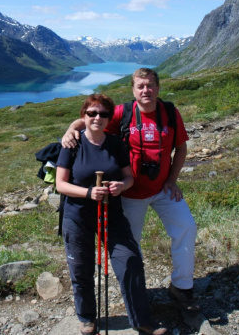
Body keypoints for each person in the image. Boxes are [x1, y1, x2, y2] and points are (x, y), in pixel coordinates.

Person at [62, 68, 198, 312]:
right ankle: (137, 297)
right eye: (140, 86)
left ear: (158, 87)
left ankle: (182, 287)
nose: (146, 90)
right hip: (130, 194)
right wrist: (71, 128)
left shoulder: (169, 112)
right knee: (130, 247)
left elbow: (181, 148)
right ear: (133, 90)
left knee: (186, 227)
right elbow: (92, 118)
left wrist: (172, 180)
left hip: (162, 189)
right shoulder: (121, 113)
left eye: (150, 85)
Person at [56, 93, 167, 335]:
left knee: (130, 261)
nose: (97, 117)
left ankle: (141, 319)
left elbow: (128, 176)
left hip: (111, 213)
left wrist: (122, 186)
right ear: (83, 116)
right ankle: (87, 318)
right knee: (81, 268)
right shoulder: (71, 144)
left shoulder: (116, 144)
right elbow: (61, 185)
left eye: (103, 114)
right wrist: (88, 193)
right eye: (91, 113)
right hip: (77, 216)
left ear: (109, 118)